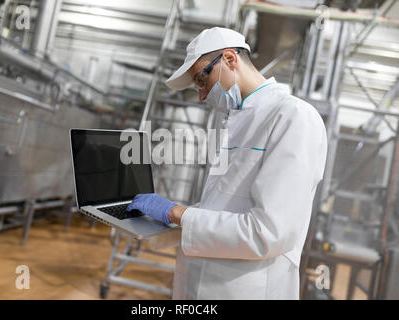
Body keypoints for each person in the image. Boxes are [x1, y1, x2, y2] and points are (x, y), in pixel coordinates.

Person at [126, 27, 328, 299]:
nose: (201, 95)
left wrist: (176, 212)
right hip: (206, 283)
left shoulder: (293, 117)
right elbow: (224, 208)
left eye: (201, 80)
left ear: (230, 60)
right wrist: (164, 222)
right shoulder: (237, 121)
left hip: (247, 289)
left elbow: (268, 232)